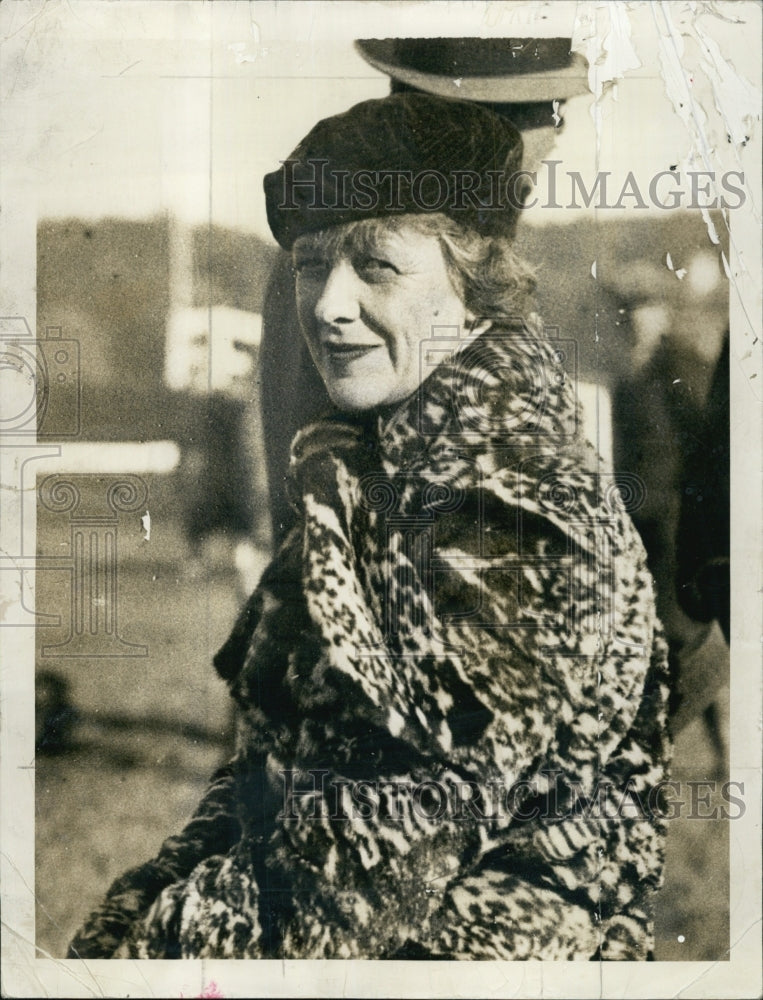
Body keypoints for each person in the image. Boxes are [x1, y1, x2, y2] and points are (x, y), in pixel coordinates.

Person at [68, 93, 671, 962]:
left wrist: (139, 951)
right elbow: (257, 774)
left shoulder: (507, 502)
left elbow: (379, 855)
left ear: (474, 286)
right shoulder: (373, 465)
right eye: (313, 265)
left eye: (376, 268)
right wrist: (140, 907)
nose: (326, 307)